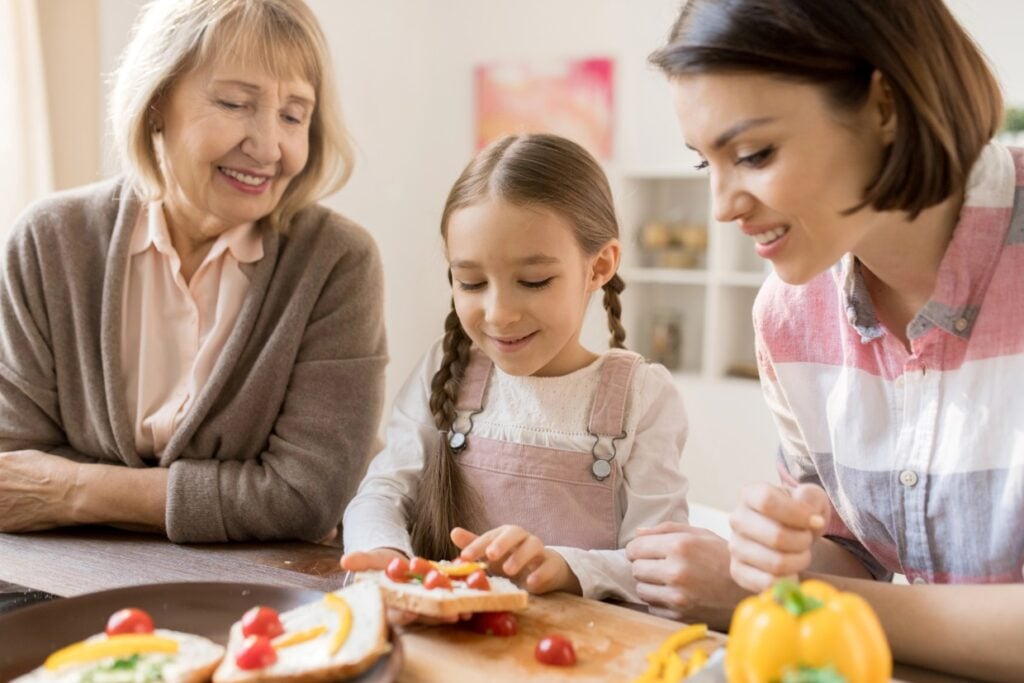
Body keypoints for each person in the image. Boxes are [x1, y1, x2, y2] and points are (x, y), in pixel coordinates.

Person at [628, 0, 1024, 678]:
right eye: (706, 164)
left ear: (884, 105)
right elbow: (853, 551)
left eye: (753, 153)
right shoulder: (789, 314)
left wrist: (800, 594)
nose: (722, 205)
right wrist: (784, 551)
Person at [0, 0, 386, 544]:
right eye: (235, 103)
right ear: (157, 99)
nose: (269, 146)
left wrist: (73, 490)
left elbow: (306, 494)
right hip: (62, 575)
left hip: (258, 593)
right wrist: (235, 497)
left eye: (293, 115)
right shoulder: (49, 241)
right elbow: (13, 471)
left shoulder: (336, 261)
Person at [341, 133, 689, 608]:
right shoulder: (447, 369)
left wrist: (566, 568)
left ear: (599, 266)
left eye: (533, 281)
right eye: (471, 282)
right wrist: (382, 552)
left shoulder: (642, 397)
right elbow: (382, 491)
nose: (499, 313)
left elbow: (658, 568)